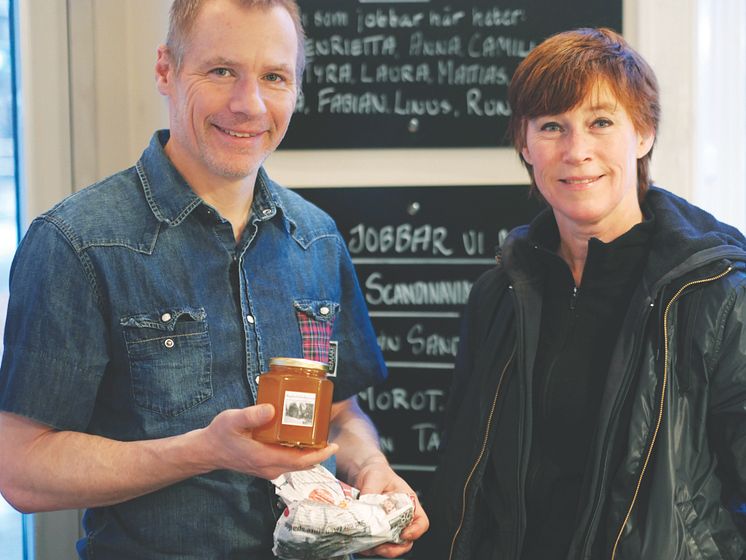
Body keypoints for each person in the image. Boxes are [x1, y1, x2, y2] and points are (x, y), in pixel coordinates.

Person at [0, 0, 428, 558]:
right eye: (222, 70)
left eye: (273, 77)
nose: (248, 104)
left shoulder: (317, 239)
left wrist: (372, 467)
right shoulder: (76, 242)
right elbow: (22, 469)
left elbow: (341, 413)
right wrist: (204, 450)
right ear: (165, 71)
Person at [416, 27, 745, 560]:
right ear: (525, 144)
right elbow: (464, 479)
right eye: (552, 126)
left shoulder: (720, 297)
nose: (576, 151)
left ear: (643, 134)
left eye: (600, 122)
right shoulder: (498, 292)